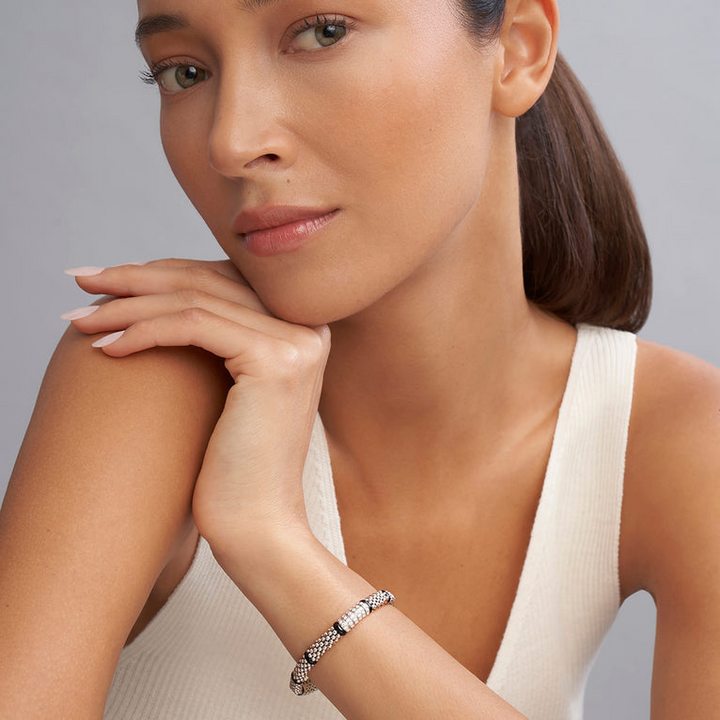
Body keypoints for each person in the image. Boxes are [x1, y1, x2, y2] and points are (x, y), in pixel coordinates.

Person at [1, 0, 718, 717]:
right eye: (183, 71)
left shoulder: (673, 438)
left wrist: (272, 542)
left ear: (520, 50)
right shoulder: (151, 369)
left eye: (322, 32)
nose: (231, 140)